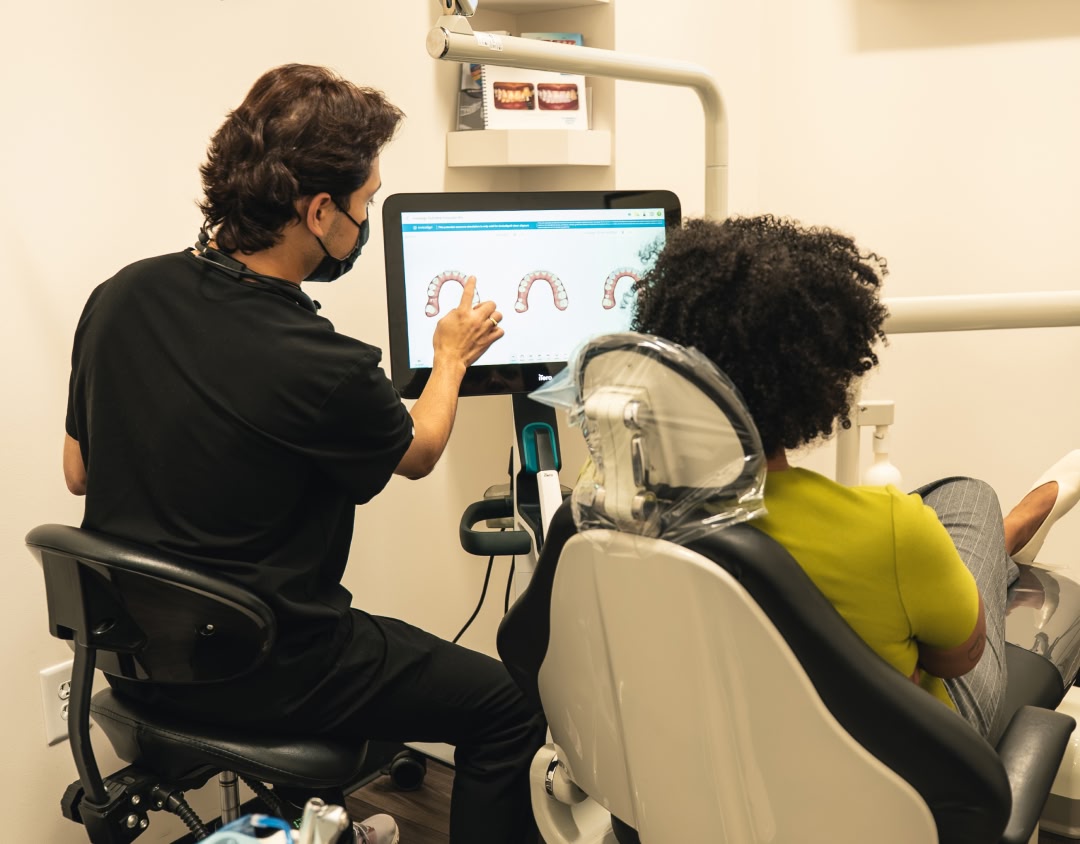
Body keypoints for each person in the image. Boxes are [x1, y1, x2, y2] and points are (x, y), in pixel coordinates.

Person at [63, 63, 546, 844]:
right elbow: (420, 449)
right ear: (319, 211)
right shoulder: (322, 364)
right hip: (270, 671)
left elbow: (79, 471)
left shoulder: (122, 294)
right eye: (366, 203)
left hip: (136, 664)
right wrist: (451, 356)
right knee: (509, 706)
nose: (366, 218)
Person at [629, 214, 1080, 742]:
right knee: (970, 501)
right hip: (908, 772)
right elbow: (958, 660)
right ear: (820, 374)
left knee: (959, 496)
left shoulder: (617, 510)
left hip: (693, 769)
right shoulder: (889, 530)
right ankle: (1000, 543)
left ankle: (987, 552)